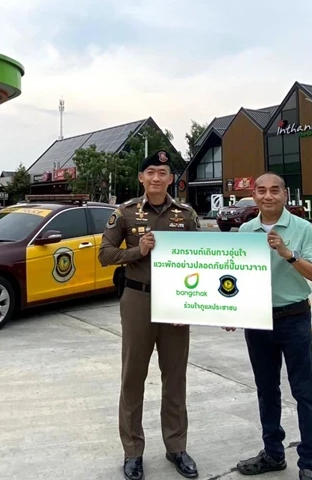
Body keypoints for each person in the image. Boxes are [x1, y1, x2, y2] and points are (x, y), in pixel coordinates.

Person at [100, 149, 201, 480]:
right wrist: (137, 250)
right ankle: (133, 451)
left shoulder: (186, 214)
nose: (157, 177)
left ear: (171, 179)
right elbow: (105, 255)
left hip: (176, 302)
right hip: (137, 299)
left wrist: (192, 303)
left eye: (163, 173)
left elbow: (201, 259)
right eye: (151, 172)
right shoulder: (126, 213)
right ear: (142, 178)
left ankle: (176, 447)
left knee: (175, 377)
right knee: (133, 377)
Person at [228, 172, 312, 480]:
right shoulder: (245, 230)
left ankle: (309, 463)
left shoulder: (302, 229)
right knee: (266, 389)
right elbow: (235, 277)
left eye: (274, 190)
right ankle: (273, 454)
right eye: (261, 191)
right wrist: (230, 311)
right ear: (254, 196)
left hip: (294, 317)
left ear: (285, 195)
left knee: (303, 392)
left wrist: (288, 254)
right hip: (257, 320)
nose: (268, 196)